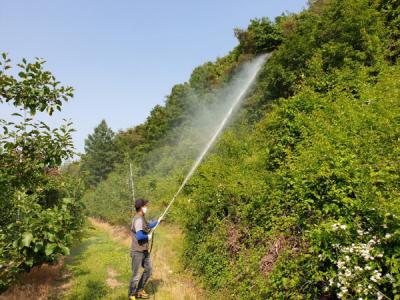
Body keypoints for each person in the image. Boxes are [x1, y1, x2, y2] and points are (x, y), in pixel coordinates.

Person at [128, 199, 161, 300]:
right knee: (135, 276)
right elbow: (139, 236)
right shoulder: (138, 219)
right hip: (137, 252)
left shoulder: (142, 218)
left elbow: (148, 226)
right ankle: (131, 295)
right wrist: (148, 237)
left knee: (149, 270)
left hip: (144, 251)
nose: (147, 207)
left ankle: (139, 291)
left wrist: (158, 221)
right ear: (141, 208)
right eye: (145, 206)